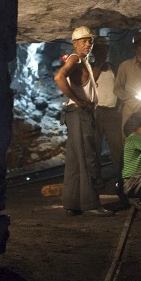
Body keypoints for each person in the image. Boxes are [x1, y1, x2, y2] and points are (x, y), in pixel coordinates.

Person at [53, 26, 114, 217]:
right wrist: (79, 101)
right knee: (89, 158)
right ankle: (91, 204)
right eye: (84, 41)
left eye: (90, 41)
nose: (88, 44)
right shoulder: (75, 59)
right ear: (74, 43)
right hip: (80, 114)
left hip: (77, 115)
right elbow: (59, 77)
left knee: (74, 160)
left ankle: (72, 203)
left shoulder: (84, 61)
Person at [90, 35, 125, 194]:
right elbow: (90, 82)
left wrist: (121, 106)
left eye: (105, 49)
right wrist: (98, 65)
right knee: (94, 148)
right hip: (95, 112)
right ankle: (97, 179)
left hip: (111, 113)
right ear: (94, 51)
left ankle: (121, 179)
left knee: (117, 148)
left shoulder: (113, 67)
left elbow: (121, 87)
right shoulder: (90, 68)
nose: (103, 52)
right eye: (99, 49)